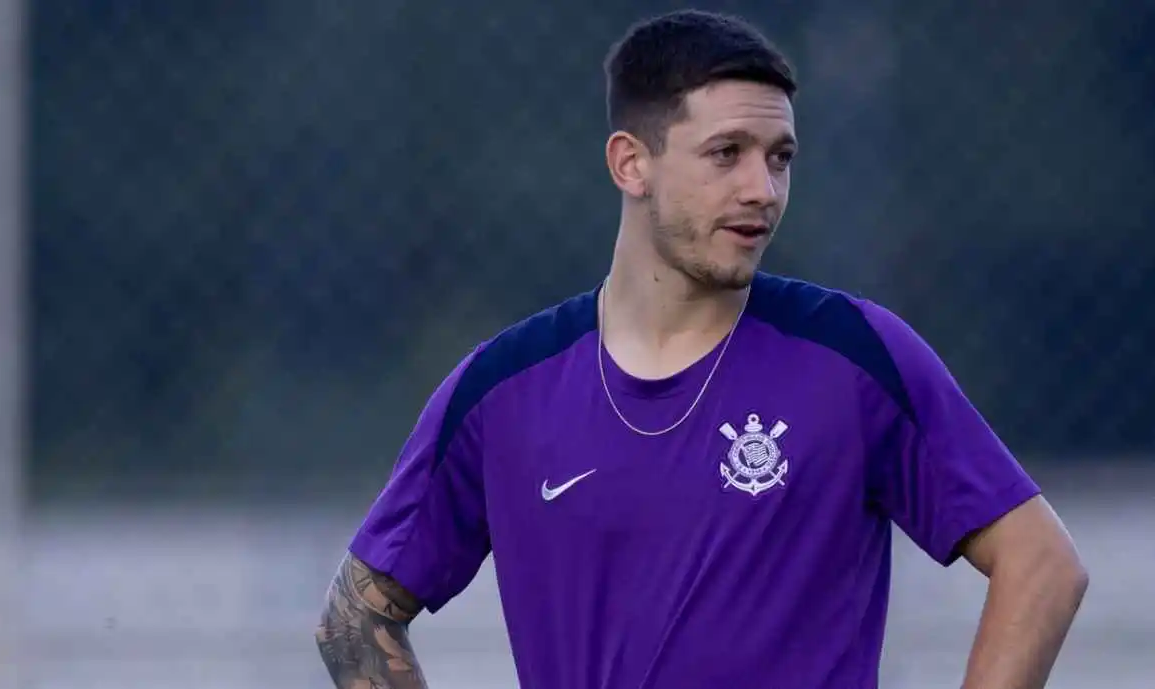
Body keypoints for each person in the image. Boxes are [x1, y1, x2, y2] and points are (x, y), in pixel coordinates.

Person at [316, 9, 1088, 689]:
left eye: (780, 157)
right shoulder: (501, 390)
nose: (763, 188)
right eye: (728, 153)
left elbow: (1042, 567)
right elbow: (355, 621)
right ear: (631, 163)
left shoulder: (853, 357)